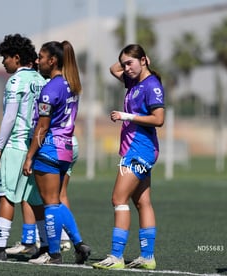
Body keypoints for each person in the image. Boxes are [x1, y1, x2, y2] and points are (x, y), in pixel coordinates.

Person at [92, 44, 165, 270]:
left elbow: (159, 119)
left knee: (118, 199)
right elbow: (112, 69)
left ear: (144, 60)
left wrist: (127, 115)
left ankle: (116, 257)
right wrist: (129, 60)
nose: (125, 68)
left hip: (139, 151)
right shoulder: (134, 82)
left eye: (130, 63)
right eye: (124, 64)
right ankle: (147, 257)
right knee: (142, 202)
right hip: (137, 149)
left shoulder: (151, 85)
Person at [0, 34, 47, 261]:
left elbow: (9, 118)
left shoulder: (15, 82)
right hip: (35, 148)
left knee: (6, 196)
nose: (3, 62)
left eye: (5, 57)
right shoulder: (41, 80)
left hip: (16, 145)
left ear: (17, 58)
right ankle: (46, 245)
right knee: (35, 199)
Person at [22, 40, 91, 265]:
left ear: (52, 61)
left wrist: (30, 156)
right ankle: (79, 244)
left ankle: (53, 254)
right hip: (66, 150)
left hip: (50, 149)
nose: (37, 61)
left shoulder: (50, 89)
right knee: (58, 201)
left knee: (50, 203)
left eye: (41, 57)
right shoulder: (71, 84)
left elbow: (41, 128)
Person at [6, 135, 79, 254]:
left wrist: (29, 156)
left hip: (51, 145)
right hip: (70, 142)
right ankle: (64, 238)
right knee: (60, 194)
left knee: (29, 192)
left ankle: (31, 241)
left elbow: (43, 125)